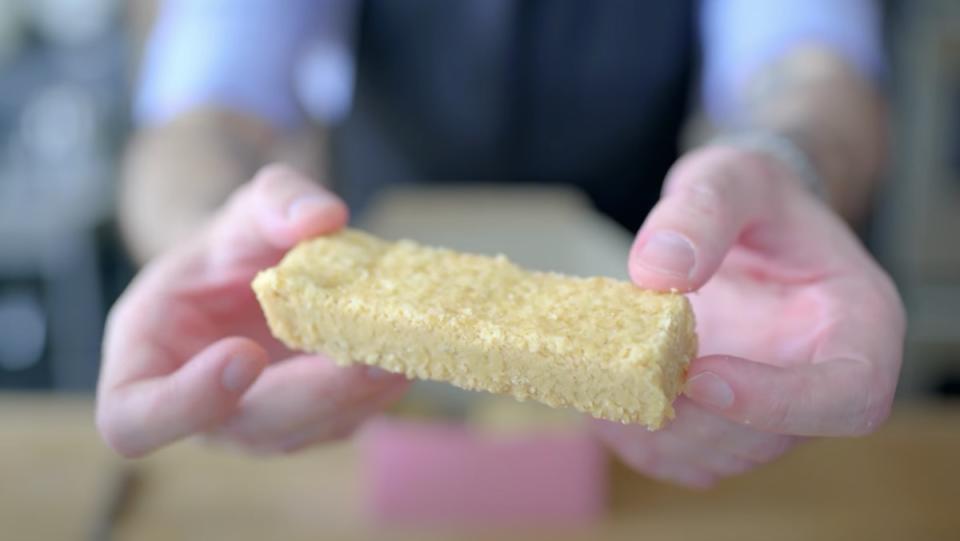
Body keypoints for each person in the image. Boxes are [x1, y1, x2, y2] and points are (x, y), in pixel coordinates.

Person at [97, 0, 905, 488]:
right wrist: (207, 235)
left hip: (682, 313)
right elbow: (202, 112)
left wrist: (786, 168)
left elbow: (811, 67)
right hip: (352, 396)